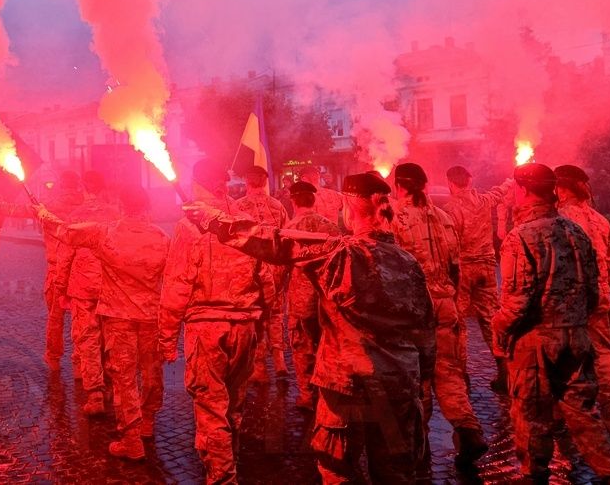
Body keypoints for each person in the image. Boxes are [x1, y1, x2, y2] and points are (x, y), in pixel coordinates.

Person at [185, 172, 436, 484]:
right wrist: (420, 379)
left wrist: (212, 218)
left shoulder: (340, 255)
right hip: (399, 386)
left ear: (349, 210)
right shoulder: (409, 264)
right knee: (396, 475)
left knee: (338, 473)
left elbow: (273, 240)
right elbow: (426, 332)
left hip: (346, 388)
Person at [491, 163, 610, 484]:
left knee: (532, 419)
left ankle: (534, 475)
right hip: (577, 337)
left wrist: (499, 333)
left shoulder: (520, 237)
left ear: (522, 190)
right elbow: (594, 289)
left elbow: (516, 303)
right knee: (584, 414)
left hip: (536, 344)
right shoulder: (576, 231)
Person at [160, 159, 275, 485]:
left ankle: (223, 477)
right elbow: (266, 276)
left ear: (198, 184)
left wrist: (166, 337)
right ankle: (223, 457)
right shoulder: (244, 220)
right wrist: (264, 318)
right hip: (244, 325)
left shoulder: (189, 226)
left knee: (211, 408)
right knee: (233, 405)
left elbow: (178, 283)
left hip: (207, 327)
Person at [40, 184, 170, 460]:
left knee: (124, 378)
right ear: (148, 208)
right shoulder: (162, 238)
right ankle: (148, 421)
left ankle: (131, 440)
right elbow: (173, 282)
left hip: (119, 317)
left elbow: (66, 232)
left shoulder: (105, 233)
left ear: (122, 207)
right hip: (151, 316)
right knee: (151, 373)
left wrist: (43, 214)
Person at [385, 163, 487, 467]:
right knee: (449, 373)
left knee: (418, 378)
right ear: (425, 185)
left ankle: (419, 443)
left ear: (399, 187)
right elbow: (455, 266)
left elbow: (392, 269)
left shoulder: (395, 219)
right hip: (445, 304)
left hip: (416, 309)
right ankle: (468, 430)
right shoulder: (444, 218)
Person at [555, 165, 610, 451]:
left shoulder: (559, 220)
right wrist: (603, 291)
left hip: (569, 305)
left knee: (564, 362)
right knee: (603, 360)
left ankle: (567, 418)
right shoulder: (600, 220)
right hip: (600, 300)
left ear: (561, 190)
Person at [443, 165, 513, 394]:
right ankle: (504, 371)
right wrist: (511, 180)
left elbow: (449, 244)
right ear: (470, 180)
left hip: (464, 269)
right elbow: (499, 192)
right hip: (487, 267)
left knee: (459, 323)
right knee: (491, 319)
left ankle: (462, 376)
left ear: (450, 183)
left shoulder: (450, 209)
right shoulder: (484, 201)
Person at [56, 171, 120, 415]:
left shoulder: (75, 217)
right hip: (111, 286)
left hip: (83, 287)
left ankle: (95, 394)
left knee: (88, 339)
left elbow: (65, 257)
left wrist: (61, 289)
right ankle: (113, 387)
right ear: (104, 188)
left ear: (84, 187)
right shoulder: (116, 216)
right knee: (111, 338)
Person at [284, 180, 340, 409]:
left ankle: (307, 395)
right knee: (328, 345)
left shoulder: (289, 229)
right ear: (314, 200)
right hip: (327, 298)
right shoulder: (331, 228)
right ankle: (329, 394)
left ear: (293, 201)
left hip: (301, 300)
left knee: (302, 347)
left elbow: (280, 267)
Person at [235, 165, 290, 382]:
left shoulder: (238, 207)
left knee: (256, 315)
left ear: (246, 181)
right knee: (276, 313)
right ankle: (279, 359)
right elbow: (286, 237)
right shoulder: (277, 206)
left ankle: (259, 367)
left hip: (251, 270)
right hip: (275, 268)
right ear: (265, 181)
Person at [41, 171, 85, 372]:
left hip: (56, 268)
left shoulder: (49, 206)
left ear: (60, 184)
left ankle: (53, 358)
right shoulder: (85, 206)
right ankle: (79, 361)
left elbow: (20, 210)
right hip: (80, 270)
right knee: (82, 318)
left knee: (55, 317)